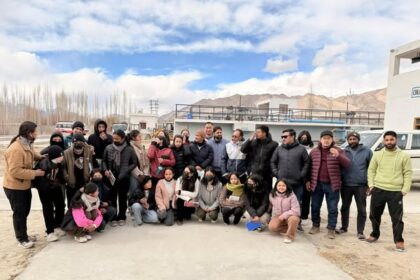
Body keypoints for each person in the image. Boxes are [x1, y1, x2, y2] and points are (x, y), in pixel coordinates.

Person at [366, 131, 412, 252]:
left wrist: (405, 189)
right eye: (387, 140)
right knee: (374, 215)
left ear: (396, 140)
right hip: (378, 189)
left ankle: (399, 240)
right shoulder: (377, 155)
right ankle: (375, 234)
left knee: (397, 218)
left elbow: (408, 173)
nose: (389, 142)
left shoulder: (404, 156)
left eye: (391, 140)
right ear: (383, 141)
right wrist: (371, 185)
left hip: (395, 192)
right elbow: (371, 171)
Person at [3, 121, 45, 248]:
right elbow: (15, 171)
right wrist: (35, 173)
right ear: (29, 133)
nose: (37, 134)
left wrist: (42, 157)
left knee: (24, 211)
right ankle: (21, 239)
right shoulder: (16, 149)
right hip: (14, 187)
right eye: (35, 132)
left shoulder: (26, 144)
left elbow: (32, 154)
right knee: (20, 213)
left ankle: (24, 235)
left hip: (24, 186)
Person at [308, 130, 351, 239]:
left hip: (332, 185)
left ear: (332, 140)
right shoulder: (314, 151)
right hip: (316, 184)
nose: (326, 140)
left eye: (328, 138)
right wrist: (308, 181)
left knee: (332, 208)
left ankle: (331, 229)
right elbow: (309, 167)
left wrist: (338, 156)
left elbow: (347, 164)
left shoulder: (338, 150)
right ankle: (315, 225)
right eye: (324, 138)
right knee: (315, 206)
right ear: (320, 139)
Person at [270, 128, 310, 231]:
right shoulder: (279, 149)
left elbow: (307, 162)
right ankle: (283, 222)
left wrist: (301, 174)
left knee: (297, 203)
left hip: (297, 182)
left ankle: (297, 222)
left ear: (292, 137)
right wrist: (276, 173)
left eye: (285, 136)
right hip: (282, 183)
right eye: (282, 137)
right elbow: (273, 162)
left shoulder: (301, 149)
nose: (283, 138)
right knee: (282, 203)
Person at [337, 132, 372, 240]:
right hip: (346, 184)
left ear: (358, 139)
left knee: (361, 209)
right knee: (344, 207)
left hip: (361, 185)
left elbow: (372, 169)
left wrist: (369, 184)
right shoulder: (343, 151)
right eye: (350, 139)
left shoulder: (367, 151)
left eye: (354, 139)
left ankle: (360, 232)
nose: (352, 141)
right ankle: (344, 227)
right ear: (347, 140)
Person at [102, 130, 137, 226]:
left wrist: (126, 170)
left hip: (124, 178)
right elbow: (103, 161)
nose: (115, 140)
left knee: (122, 198)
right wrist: (105, 170)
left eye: (117, 139)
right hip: (111, 177)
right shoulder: (108, 148)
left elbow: (134, 163)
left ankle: (122, 216)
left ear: (123, 138)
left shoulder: (129, 149)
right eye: (113, 138)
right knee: (112, 198)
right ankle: (113, 218)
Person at [33, 145, 67, 242]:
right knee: (48, 208)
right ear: (54, 156)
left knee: (61, 205)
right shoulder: (43, 164)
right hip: (44, 189)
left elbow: (60, 175)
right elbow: (38, 180)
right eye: (60, 156)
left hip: (55, 187)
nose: (62, 157)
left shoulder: (59, 163)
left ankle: (57, 226)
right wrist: (45, 187)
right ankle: (50, 232)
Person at [241, 125, 278, 192]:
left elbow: (275, 160)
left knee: (266, 193)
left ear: (264, 133)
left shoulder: (274, 144)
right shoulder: (253, 143)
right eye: (256, 132)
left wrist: (273, 173)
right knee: (252, 192)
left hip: (266, 174)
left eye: (258, 132)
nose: (256, 134)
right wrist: (250, 139)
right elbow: (243, 150)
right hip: (254, 173)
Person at [63, 133, 93, 208]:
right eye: (76, 141)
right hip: (72, 183)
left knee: (84, 204)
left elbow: (91, 164)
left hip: (84, 182)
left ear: (84, 142)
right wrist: (67, 178)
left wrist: (89, 176)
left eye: (81, 141)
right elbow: (63, 168)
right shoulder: (66, 153)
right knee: (71, 204)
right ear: (72, 142)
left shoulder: (88, 152)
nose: (78, 143)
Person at [268, 179, 301, 243]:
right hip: (278, 216)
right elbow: (271, 206)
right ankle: (291, 228)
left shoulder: (292, 195)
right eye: (279, 185)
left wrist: (284, 215)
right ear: (276, 186)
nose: (281, 187)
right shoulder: (272, 195)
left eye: (283, 186)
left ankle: (289, 236)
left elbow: (296, 211)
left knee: (294, 219)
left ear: (287, 186)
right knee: (272, 227)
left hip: (290, 216)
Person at [297, 130, 314, 225]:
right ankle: (296, 218)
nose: (304, 139)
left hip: (308, 177)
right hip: (297, 176)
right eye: (302, 137)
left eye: (306, 137)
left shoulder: (312, 149)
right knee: (296, 198)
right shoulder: (296, 147)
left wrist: (309, 179)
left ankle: (303, 216)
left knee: (306, 198)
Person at [128, 130, 151, 195]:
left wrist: (145, 173)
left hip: (143, 175)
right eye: (139, 136)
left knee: (142, 194)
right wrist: (139, 174)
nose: (141, 138)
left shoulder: (141, 147)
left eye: (141, 136)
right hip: (134, 175)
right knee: (134, 193)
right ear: (133, 138)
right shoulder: (130, 147)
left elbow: (146, 162)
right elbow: (130, 163)